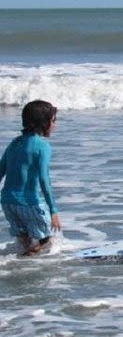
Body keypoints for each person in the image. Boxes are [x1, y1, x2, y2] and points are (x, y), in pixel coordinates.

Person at [0, 100, 62, 256]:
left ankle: (16, 269)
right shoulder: (42, 146)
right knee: (46, 242)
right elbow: (44, 179)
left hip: (8, 203)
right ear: (44, 123)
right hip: (29, 203)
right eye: (53, 120)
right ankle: (19, 266)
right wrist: (53, 211)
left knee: (25, 242)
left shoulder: (14, 143)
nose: (55, 125)